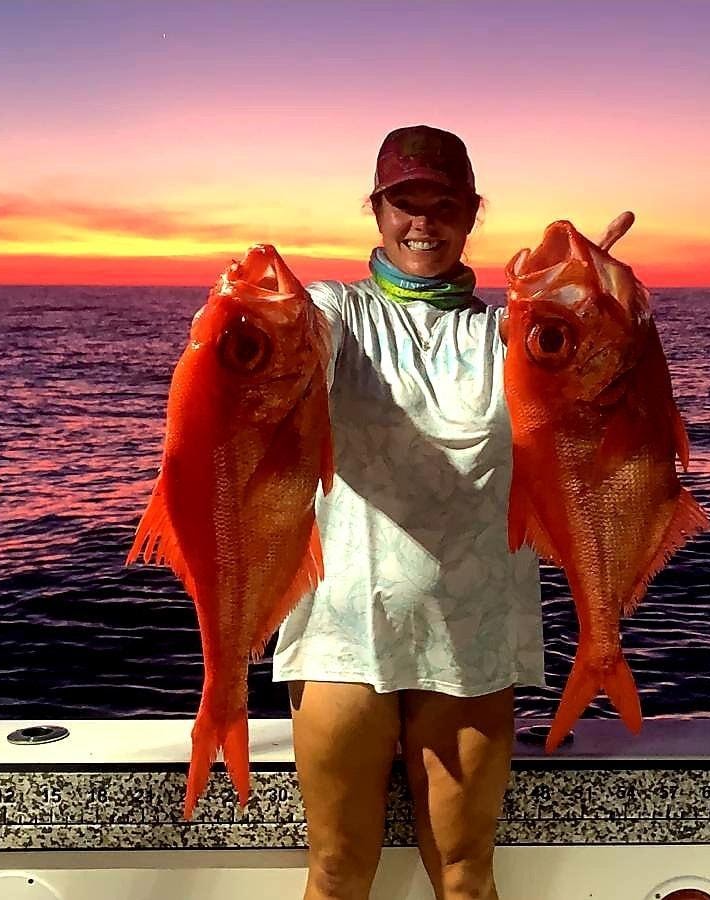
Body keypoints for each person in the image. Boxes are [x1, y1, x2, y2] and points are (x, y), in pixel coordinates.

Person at [271, 125, 544, 900]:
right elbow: (283, 338)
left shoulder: (509, 335)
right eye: (404, 203)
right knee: (336, 872)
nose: (422, 222)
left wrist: (595, 302)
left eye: (443, 203)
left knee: (465, 875)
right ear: (377, 209)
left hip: (475, 633)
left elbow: (581, 394)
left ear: (471, 210)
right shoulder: (333, 312)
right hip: (342, 631)